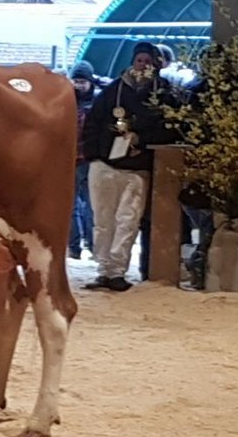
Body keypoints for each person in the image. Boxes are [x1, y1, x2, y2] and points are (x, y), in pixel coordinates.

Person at [79, 41, 177, 290]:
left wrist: (141, 138)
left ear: (156, 64)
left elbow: (171, 130)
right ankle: (103, 269)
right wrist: (93, 154)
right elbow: (93, 122)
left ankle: (117, 270)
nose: (143, 65)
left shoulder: (164, 94)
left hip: (136, 166)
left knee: (128, 220)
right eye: (139, 60)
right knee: (102, 219)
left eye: (148, 61)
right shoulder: (114, 90)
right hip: (105, 163)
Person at [68, 60, 97, 259]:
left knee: (92, 205)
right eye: (75, 80)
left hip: (89, 159)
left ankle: (93, 245)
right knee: (71, 206)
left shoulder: (96, 102)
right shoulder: (66, 102)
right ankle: (74, 246)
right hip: (70, 161)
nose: (78, 85)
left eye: (82, 81)